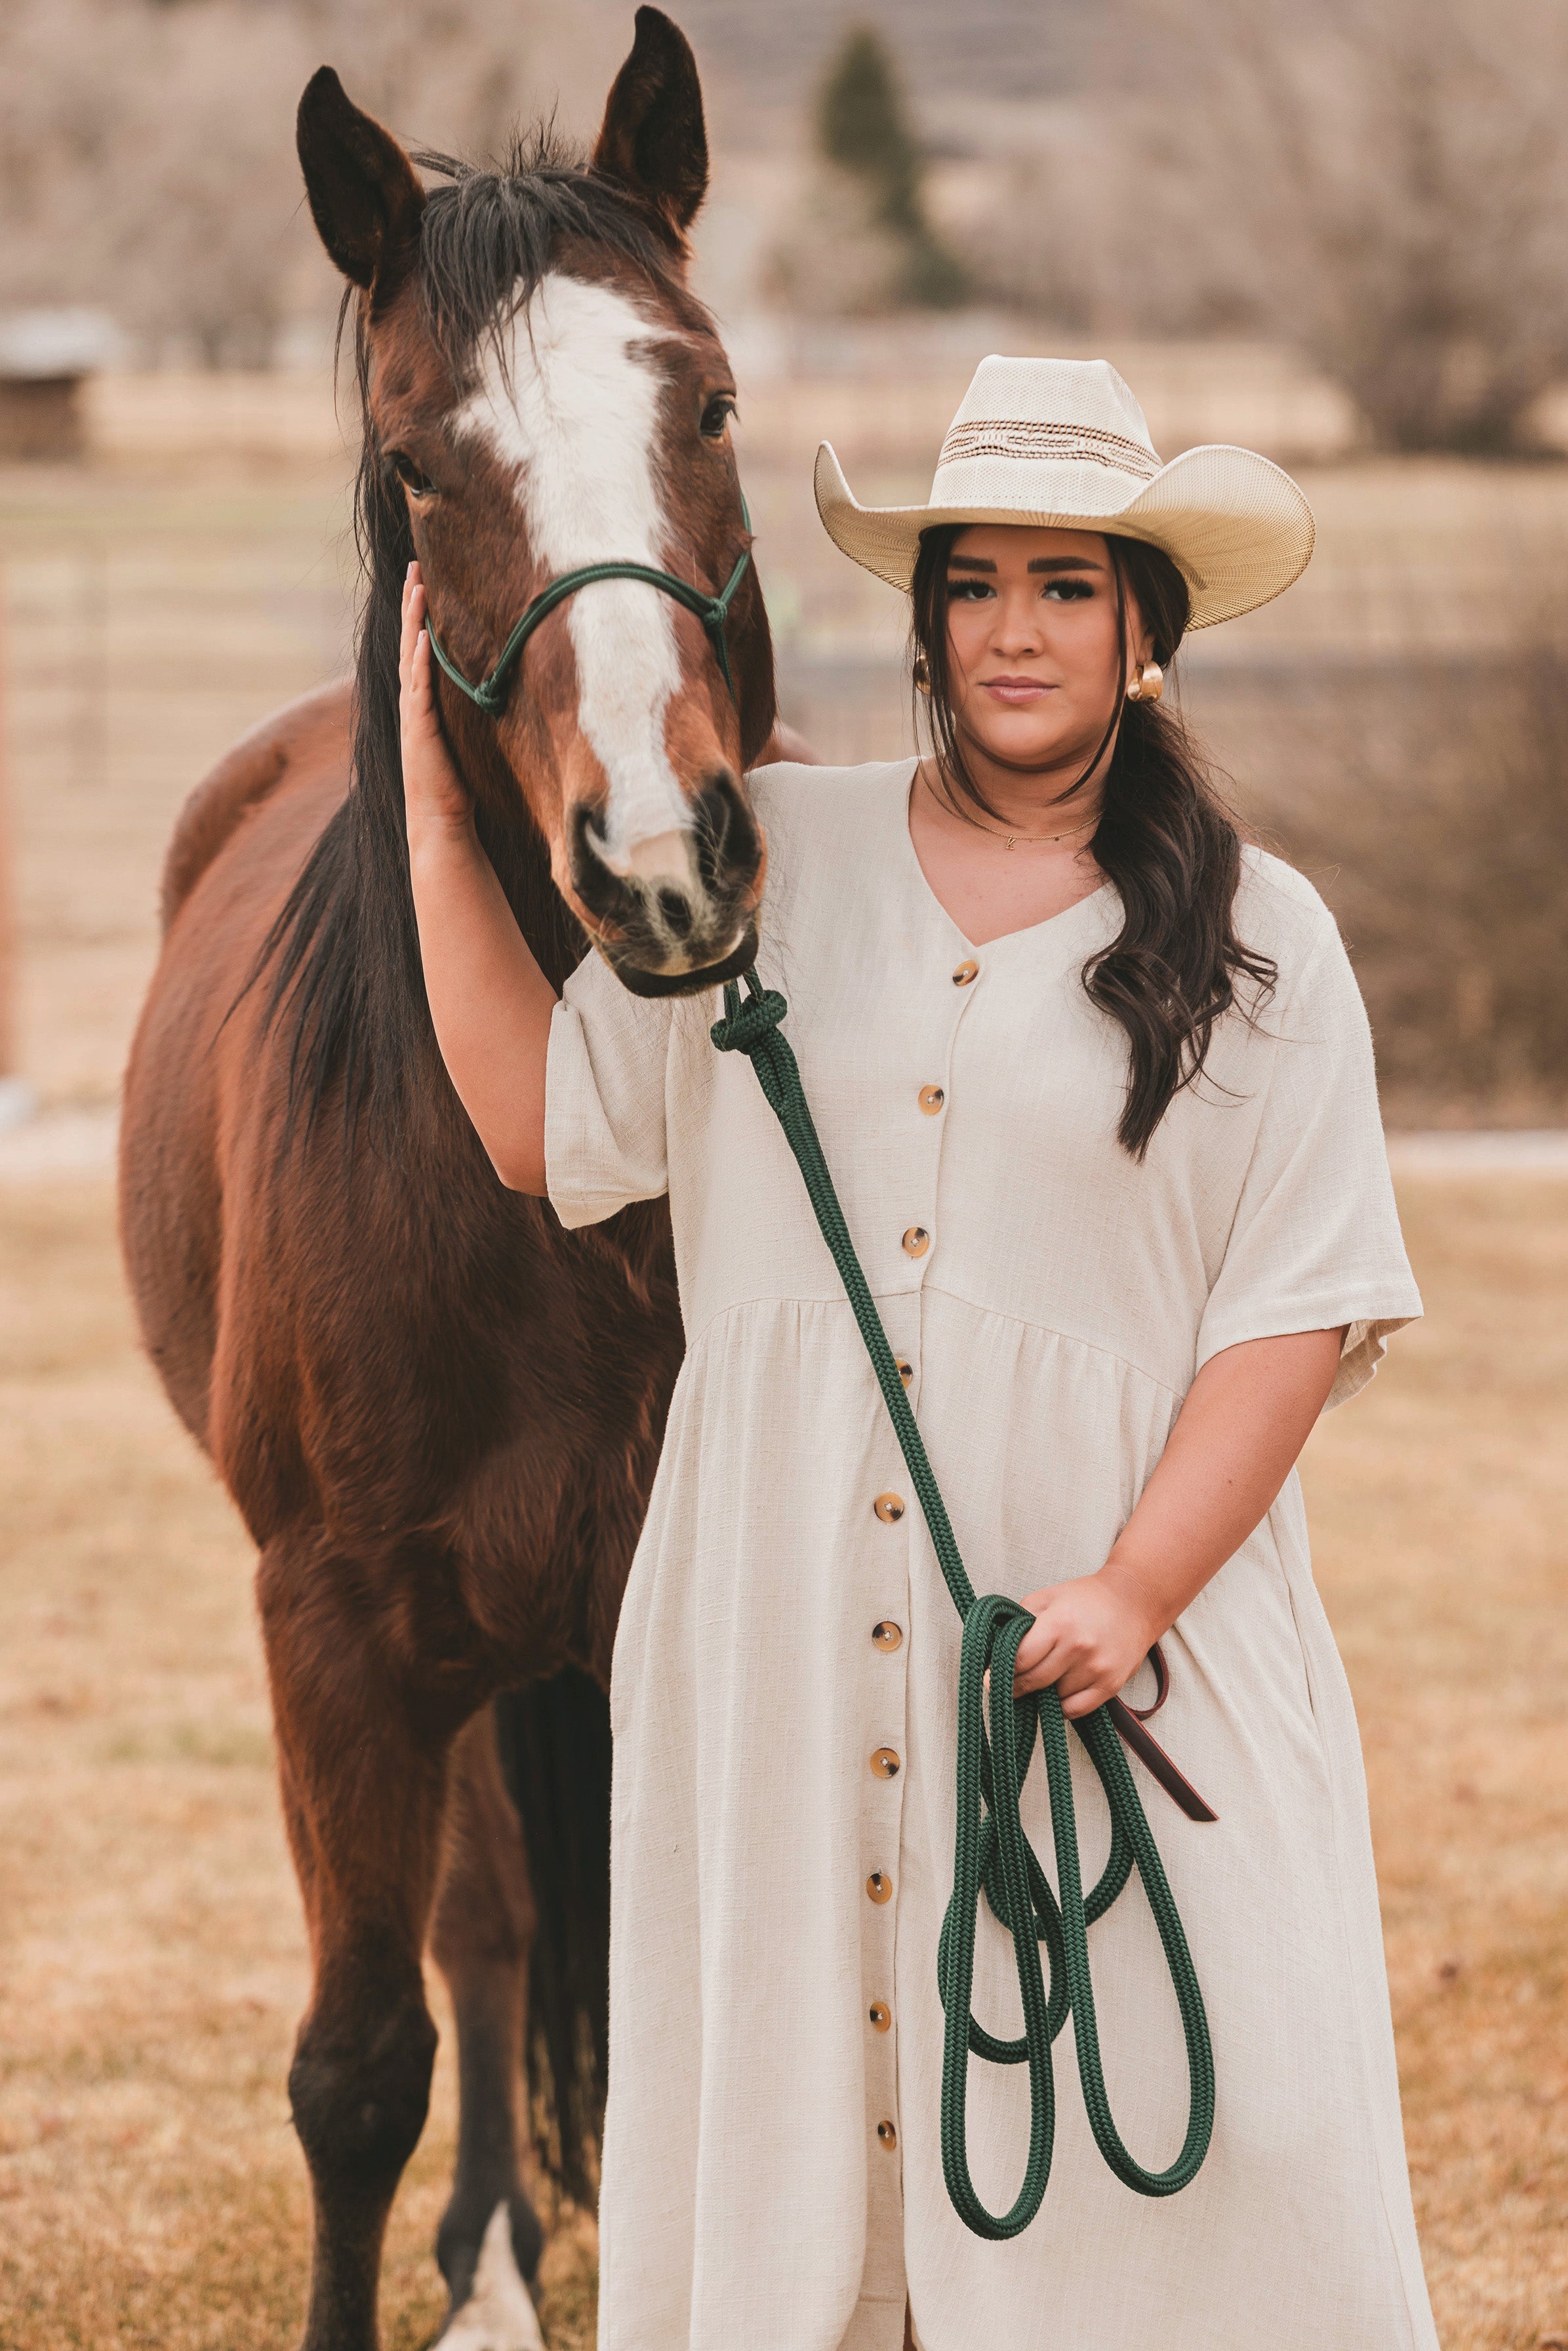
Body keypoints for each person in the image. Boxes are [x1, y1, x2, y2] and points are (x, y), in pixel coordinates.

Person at [398, 357, 1436, 2351]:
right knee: (806, 2119)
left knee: (1189, 2127)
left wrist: (1135, 1591)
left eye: (1068, 585)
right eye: (975, 585)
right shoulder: (774, 858)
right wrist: (444, 827)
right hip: (778, 1625)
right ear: (926, 618)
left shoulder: (1269, 943)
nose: (1016, 630)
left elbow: (1293, 1310)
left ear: (1149, 632)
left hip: (1113, 1637)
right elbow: (546, 1128)